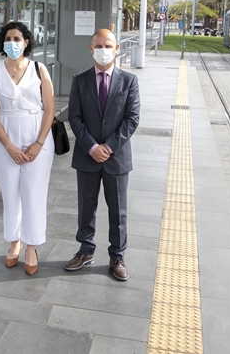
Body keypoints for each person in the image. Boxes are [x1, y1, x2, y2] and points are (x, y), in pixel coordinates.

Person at [65, 29, 140, 281]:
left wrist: (108, 147)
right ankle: (85, 250)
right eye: (98, 45)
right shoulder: (80, 80)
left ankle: (117, 255)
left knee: (118, 210)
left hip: (116, 157)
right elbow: (74, 117)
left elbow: (132, 119)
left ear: (117, 47)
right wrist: (91, 147)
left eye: (108, 45)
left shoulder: (129, 81)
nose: (103, 50)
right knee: (86, 207)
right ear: (90, 48)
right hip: (87, 156)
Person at [0, 21, 54, 275]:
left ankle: (32, 246)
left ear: (26, 42)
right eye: (8, 39)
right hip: (6, 139)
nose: (13, 43)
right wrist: (10, 147)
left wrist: (38, 143)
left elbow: (50, 109)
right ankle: (15, 242)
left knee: (34, 193)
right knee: (10, 192)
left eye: (18, 38)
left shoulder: (39, 69)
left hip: (37, 134)